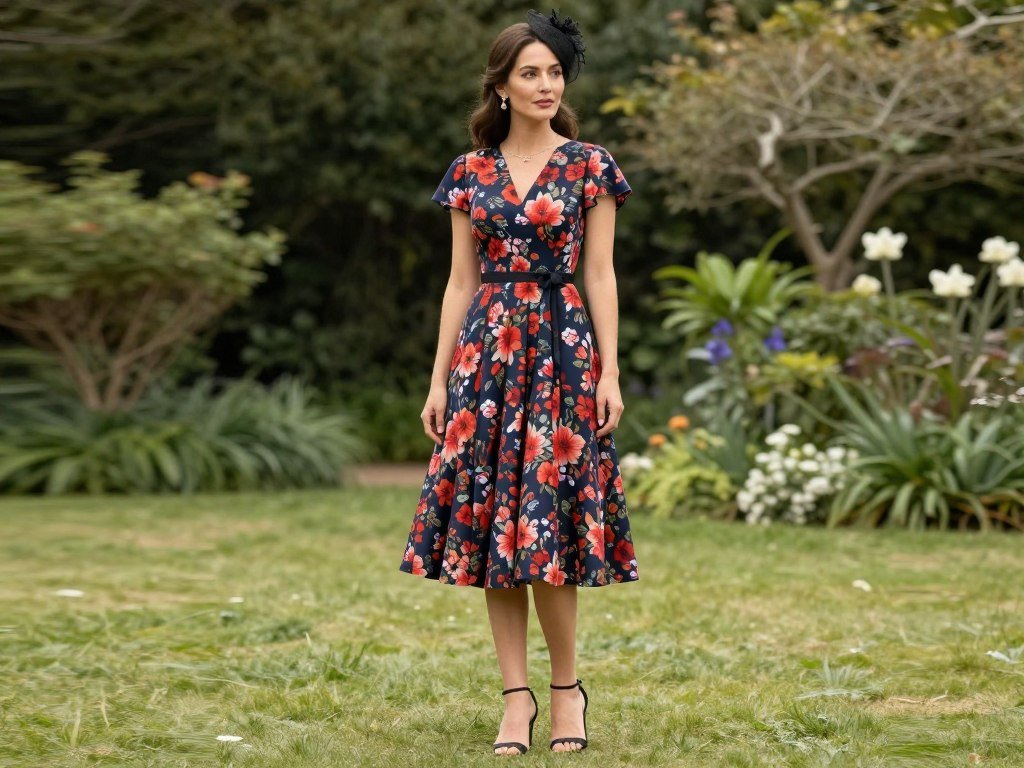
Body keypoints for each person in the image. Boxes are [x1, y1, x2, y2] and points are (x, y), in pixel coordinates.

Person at [398, 8, 639, 756]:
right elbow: (458, 284)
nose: (544, 84)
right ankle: (516, 699)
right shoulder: (469, 174)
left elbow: (599, 273)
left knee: (545, 526)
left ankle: (566, 691)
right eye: (529, 72)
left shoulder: (590, 164)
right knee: (492, 530)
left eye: (554, 72)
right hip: (485, 363)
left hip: (563, 354)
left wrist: (611, 367)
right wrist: (439, 383)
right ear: (500, 85)